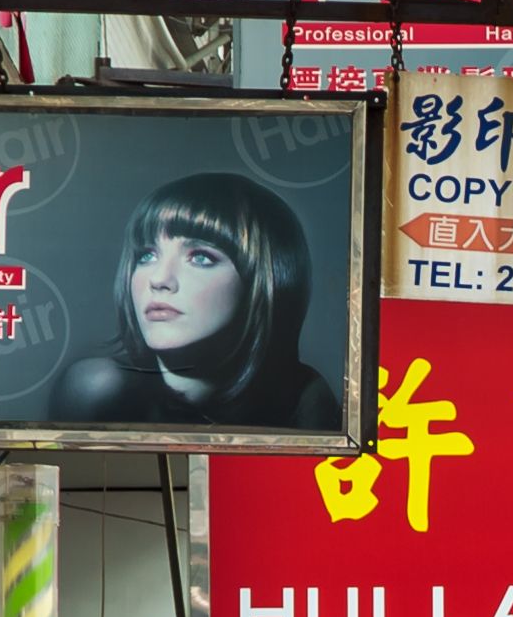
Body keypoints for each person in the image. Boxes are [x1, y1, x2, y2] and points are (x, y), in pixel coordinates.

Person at [40, 172, 340, 432]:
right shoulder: (96, 388)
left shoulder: (305, 398)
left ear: (265, 279)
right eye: (146, 255)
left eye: (200, 257)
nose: (159, 279)